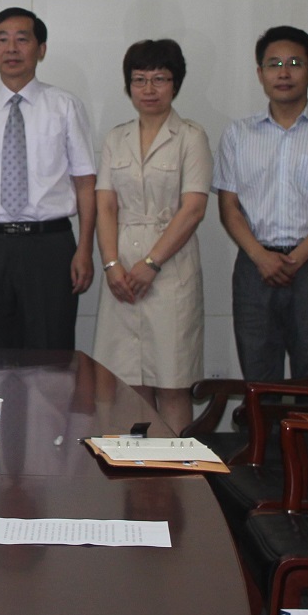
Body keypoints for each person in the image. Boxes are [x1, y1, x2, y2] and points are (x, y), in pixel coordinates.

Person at [214, 25, 308, 382]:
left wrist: (295, 260)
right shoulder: (238, 134)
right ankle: (263, 426)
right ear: (260, 74)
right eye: (274, 64)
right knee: (258, 375)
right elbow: (229, 208)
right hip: (255, 267)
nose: (284, 73)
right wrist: (262, 257)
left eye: (295, 63)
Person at [0, 8, 97, 351]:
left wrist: (84, 249)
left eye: (22, 39)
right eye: (2, 40)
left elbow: (85, 183)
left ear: (41, 49)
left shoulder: (65, 106)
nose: (11, 48)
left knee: (52, 354)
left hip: (50, 245)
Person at [91, 39, 211, 429]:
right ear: (128, 86)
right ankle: (137, 463)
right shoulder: (116, 138)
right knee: (128, 383)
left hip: (170, 271)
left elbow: (193, 209)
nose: (149, 89)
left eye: (160, 79)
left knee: (172, 383)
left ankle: (175, 466)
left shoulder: (191, 136)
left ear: (176, 83)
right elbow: (105, 206)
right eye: (139, 79)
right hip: (121, 272)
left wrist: (151, 264)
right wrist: (111, 265)